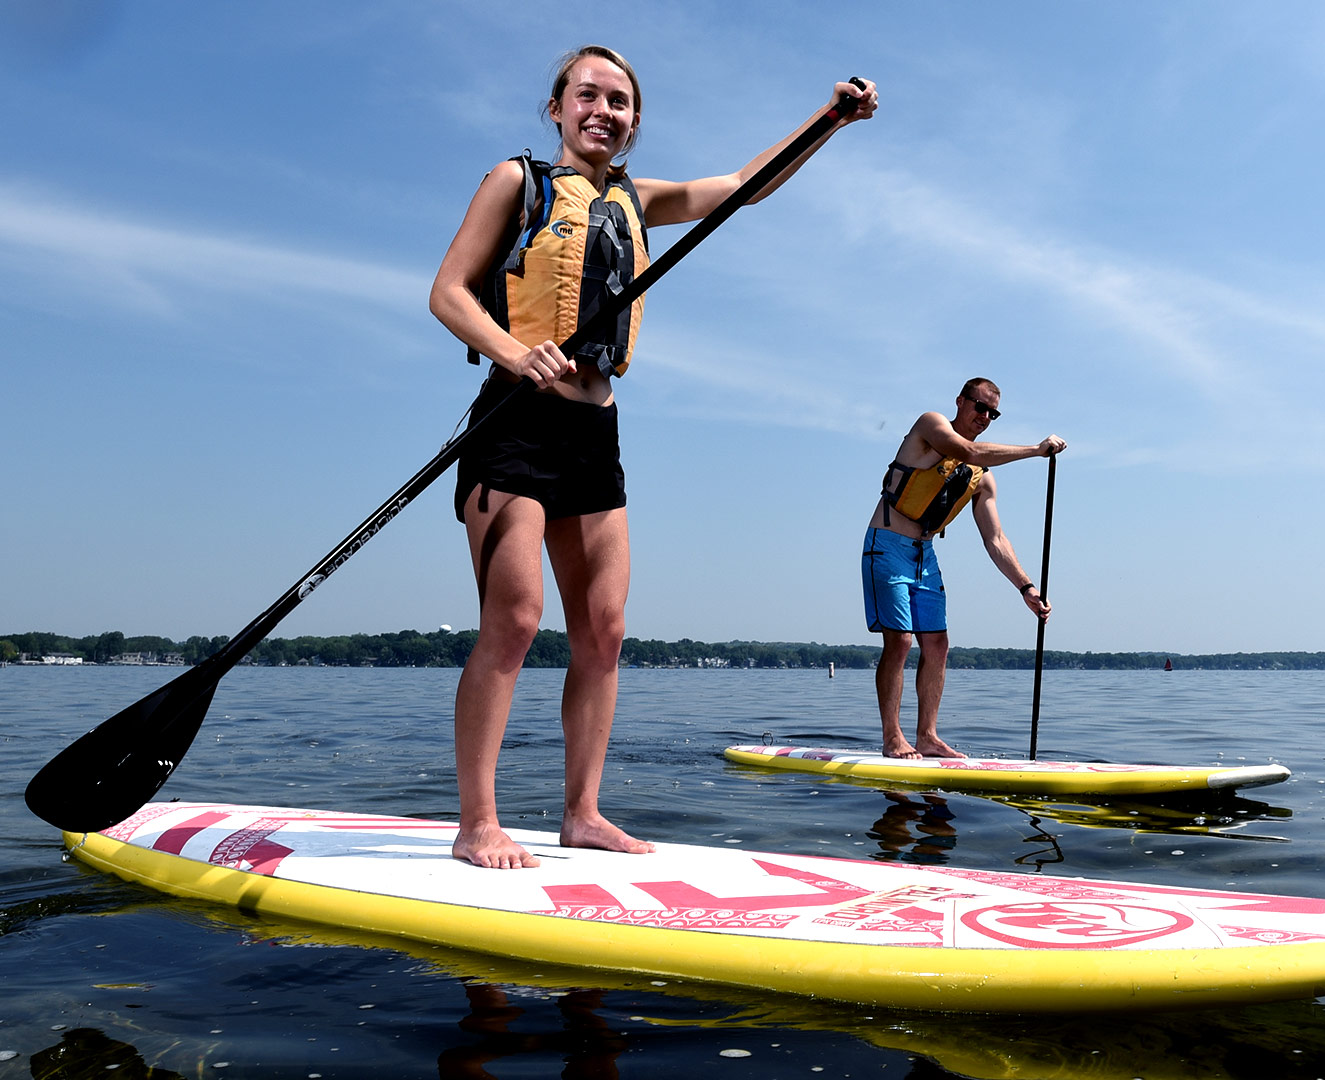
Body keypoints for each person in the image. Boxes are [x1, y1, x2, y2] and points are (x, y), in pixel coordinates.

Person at [430, 46, 877, 868]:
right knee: (518, 620)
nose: (605, 110)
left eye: (622, 101)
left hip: (596, 433)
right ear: (557, 106)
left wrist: (829, 123)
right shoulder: (515, 182)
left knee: (603, 630)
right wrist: (512, 350)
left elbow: (746, 185)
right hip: (515, 421)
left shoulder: (640, 199)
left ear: (635, 120)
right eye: (589, 95)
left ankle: (582, 812)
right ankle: (477, 823)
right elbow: (448, 291)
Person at [863, 378, 1065, 758]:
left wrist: (1027, 589)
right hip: (886, 546)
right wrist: (1035, 451)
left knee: (937, 645)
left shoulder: (981, 479)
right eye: (979, 406)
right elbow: (968, 449)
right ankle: (893, 737)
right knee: (901, 641)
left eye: (993, 413)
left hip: (924, 557)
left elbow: (996, 539)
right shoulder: (930, 426)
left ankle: (927, 735)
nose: (985, 417)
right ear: (960, 401)